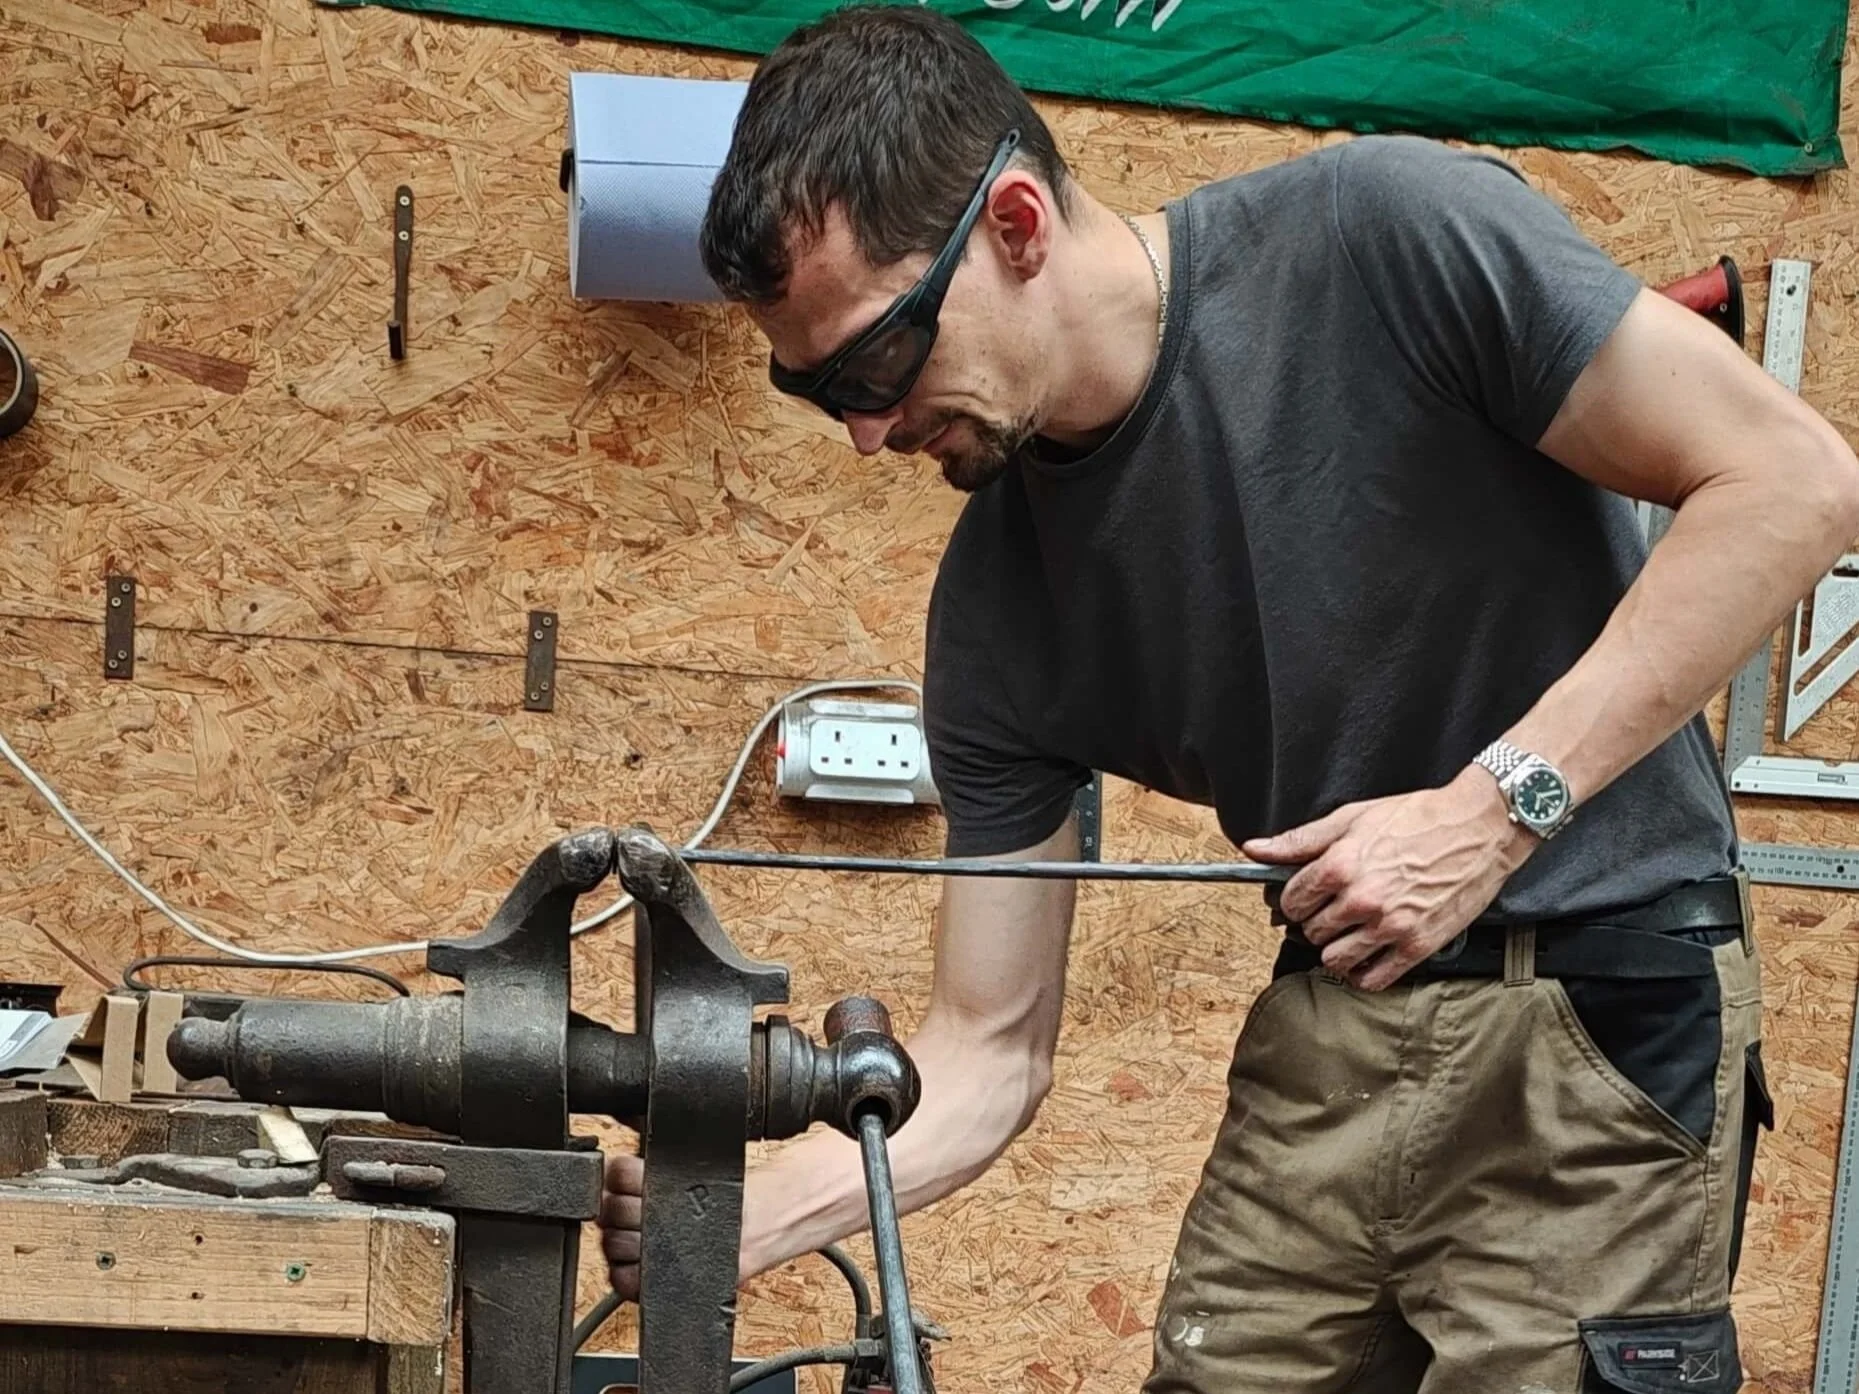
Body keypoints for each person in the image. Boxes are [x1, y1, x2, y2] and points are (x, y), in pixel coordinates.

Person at [598, 6, 1859, 1389]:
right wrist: (736, 1215)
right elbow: (987, 1047)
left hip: (1592, 1016)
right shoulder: (998, 611)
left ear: (1015, 224)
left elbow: (1789, 484)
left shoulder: (1385, 234)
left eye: (874, 362)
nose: (861, 427)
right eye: (810, 389)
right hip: (1330, 1024)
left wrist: (1497, 809)